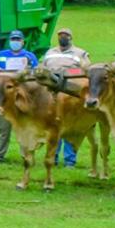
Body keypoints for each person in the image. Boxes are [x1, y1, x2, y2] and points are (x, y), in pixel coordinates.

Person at [42, 27, 90, 167]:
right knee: (54, 126)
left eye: (66, 35)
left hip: (71, 95)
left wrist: (66, 72)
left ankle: (70, 160)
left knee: (69, 126)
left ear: (71, 37)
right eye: (60, 35)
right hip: (52, 95)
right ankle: (53, 157)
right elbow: (43, 68)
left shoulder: (80, 53)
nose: (63, 37)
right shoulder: (50, 52)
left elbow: (86, 70)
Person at [0, 30, 38, 163]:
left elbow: (35, 76)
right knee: (4, 130)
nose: (15, 42)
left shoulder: (29, 56)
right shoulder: (1, 55)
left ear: (23, 42)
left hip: (21, 99)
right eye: (13, 39)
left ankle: (25, 155)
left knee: (23, 128)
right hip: (4, 100)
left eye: (18, 40)